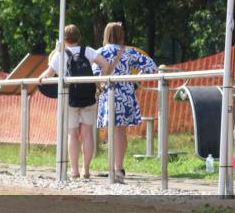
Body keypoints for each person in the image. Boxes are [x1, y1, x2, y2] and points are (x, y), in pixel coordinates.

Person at [37, 25, 109, 179]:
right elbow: (106, 64)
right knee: (87, 133)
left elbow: (48, 74)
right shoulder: (88, 51)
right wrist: (101, 82)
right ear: (79, 37)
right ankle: (86, 170)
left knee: (72, 134)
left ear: (63, 39)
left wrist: (40, 78)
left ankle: (75, 170)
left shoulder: (59, 54)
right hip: (88, 97)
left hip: (69, 98)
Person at [95, 22, 158, 184]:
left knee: (112, 131)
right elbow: (152, 67)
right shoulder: (129, 52)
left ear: (106, 34)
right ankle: (119, 167)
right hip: (126, 94)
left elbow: (94, 74)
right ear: (121, 35)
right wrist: (136, 78)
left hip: (109, 93)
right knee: (121, 132)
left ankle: (113, 169)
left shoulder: (100, 52)